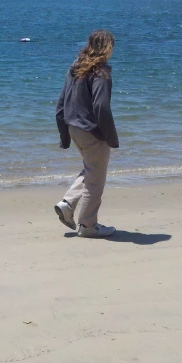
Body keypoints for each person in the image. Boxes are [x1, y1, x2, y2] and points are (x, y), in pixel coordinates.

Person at [54, 30, 119, 238]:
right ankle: (88, 226)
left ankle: (67, 203)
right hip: (92, 131)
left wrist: (64, 135)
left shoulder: (75, 67)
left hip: (74, 128)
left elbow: (61, 104)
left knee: (91, 169)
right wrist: (111, 137)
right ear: (108, 48)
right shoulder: (100, 72)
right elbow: (101, 107)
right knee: (96, 181)